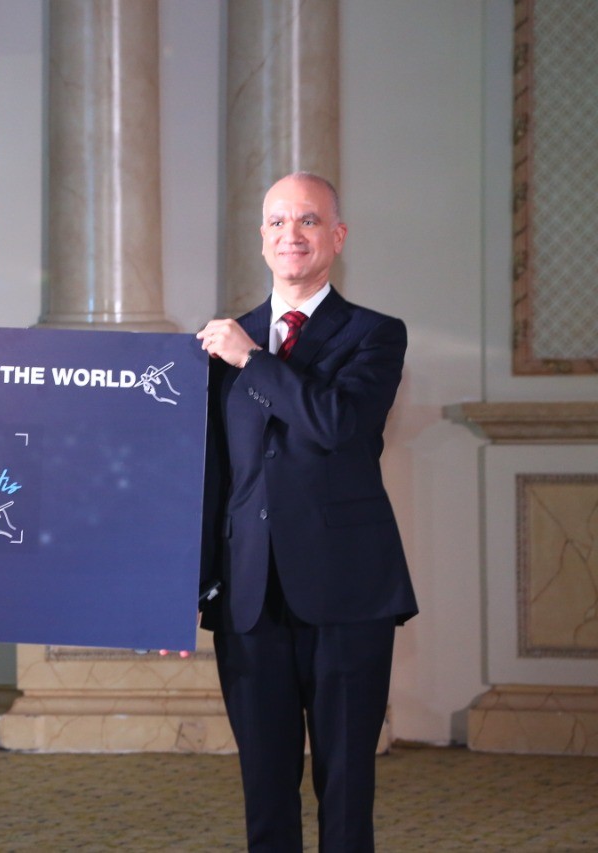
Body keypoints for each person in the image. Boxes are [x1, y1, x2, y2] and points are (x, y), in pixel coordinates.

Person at [196, 172, 417, 852]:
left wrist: (252, 361)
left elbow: (337, 424)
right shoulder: (223, 340)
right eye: (277, 222)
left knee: (345, 789)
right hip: (248, 597)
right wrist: (194, 585)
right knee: (265, 789)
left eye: (309, 221)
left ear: (337, 236)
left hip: (347, 593)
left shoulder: (375, 334)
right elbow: (213, 474)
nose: (290, 234)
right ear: (261, 239)